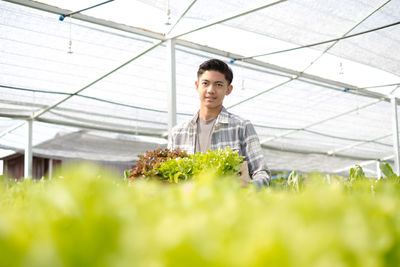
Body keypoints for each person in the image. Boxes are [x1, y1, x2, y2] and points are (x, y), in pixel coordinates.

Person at [168, 58, 271, 187]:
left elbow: (262, 173)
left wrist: (248, 186)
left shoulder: (241, 127)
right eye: (205, 83)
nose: (211, 90)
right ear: (197, 86)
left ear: (228, 89)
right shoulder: (178, 133)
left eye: (218, 84)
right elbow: (169, 176)